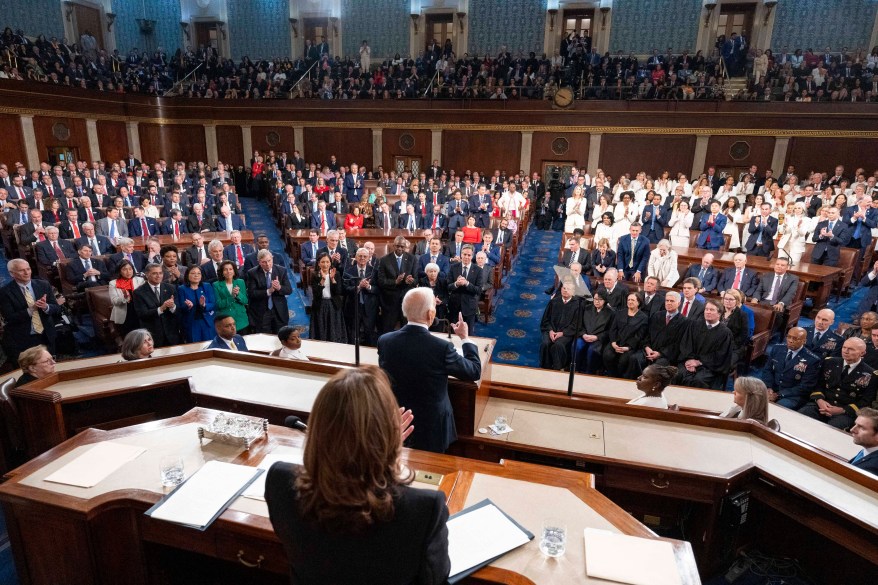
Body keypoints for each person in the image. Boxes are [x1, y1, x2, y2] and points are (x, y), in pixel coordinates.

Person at [265, 366, 450, 585]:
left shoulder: (279, 482)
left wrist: (384, 446)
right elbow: (435, 578)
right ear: (387, 435)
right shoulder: (424, 509)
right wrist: (389, 452)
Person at [377, 288, 481, 453]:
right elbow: (474, 370)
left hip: (398, 421)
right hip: (433, 428)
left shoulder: (384, 341)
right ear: (430, 314)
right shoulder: (442, 348)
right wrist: (465, 338)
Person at [798, 337, 878, 429]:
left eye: (851, 349)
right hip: (821, 405)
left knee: (832, 429)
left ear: (862, 353)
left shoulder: (871, 374)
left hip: (846, 413)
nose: (845, 351)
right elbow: (818, 385)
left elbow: (866, 401)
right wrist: (819, 400)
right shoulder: (829, 362)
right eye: (844, 347)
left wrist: (842, 410)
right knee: (802, 416)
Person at [0, 258, 61, 361]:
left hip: (46, 334)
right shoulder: (5, 292)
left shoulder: (43, 284)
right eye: (21, 270)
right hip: (24, 338)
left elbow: (56, 308)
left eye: (28, 269)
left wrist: (46, 307)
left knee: (50, 365)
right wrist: (31, 310)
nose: (26, 273)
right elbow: (9, 317)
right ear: (12, 274)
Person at [627, 291, 687, 378]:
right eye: (667, 300)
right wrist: (647, 347)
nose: (668, 303)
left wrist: (660, 354)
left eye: (672, 301)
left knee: (656, 367)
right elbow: (647, 334)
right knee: (634, 358)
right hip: (649, 350)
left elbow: (678, 344)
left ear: (679, 303)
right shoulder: (657, 315)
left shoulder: (684, 322)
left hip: (666, 355)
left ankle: (649, 387)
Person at [675, 300, 733, 389]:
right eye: (706, 309)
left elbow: (720, 355)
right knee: (678, 374)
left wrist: (699, 362)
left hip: (709, 367)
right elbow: (686, 345)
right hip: (689, 361)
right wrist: (690, 360)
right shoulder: (694, 325)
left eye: (712, 310)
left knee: (698, 380)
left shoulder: (725, 333)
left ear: (719, 314)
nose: (708, 312)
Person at [760, 327, 822, 410]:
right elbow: (768, 370)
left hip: (792, 396)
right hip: (772, 389)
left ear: (804, 341)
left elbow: (805, 387)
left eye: (795, 338)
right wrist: (768, 388)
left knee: (776, 409)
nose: (790, 340)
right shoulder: (777, 348)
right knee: (752, 399)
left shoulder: (812, 360)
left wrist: (779, 394)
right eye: (789, 337)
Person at [132, 263, 181, 347]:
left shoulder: (171, 288)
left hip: (172, 333)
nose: (158, 276)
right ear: (147, 275)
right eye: (155, 273)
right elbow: (142, 314)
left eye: (160, 273)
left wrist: (173, 306)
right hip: (153, 335)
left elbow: (179, 311)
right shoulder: (139, 292)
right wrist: (161, 308)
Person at [246, 250, 292, 334]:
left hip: (279, 311)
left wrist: (279, 287)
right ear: (259, 262)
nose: (267, 264)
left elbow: (289, 290)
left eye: (269, 260)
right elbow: (251, 293)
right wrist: (268, 291)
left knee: (281, 336)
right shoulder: (252, 273)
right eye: (264, 262)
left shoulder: (281, 270)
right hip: (261, 312)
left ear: (272, 259)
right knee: (264, 338)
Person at [602, 292, 648, 377]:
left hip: (630, 346)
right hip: (616, 342)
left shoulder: (643, 317)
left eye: (633, 300)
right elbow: (613, 329)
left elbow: (639, 336)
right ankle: (611, 375)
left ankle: (620, 378)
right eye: (628, 300)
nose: (630, 302)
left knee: (623, 360)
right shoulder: (620, 313)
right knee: (607, 355)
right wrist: (613, 342)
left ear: (638, 302)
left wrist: (628, 347)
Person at [377, 236, 416, 333]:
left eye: (402, 247)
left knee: (406, 331)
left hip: (406, 301)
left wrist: (410, 281)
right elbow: (381, 281)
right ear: (393, 246)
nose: (399, 248)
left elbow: (416, 279)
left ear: (405, 247)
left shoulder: (412, 259)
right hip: (390, 301)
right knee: (387, 331)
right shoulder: (384, 260)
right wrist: (395, 282)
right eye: (397, 246)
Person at [539, 282, 581, 370]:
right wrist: (550, 331)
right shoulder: (554, 301)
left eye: (568, 289)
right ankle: (545, 368)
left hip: (566, 334)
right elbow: (545, 320)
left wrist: (562, 333)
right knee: (546, 343)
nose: (565, 290)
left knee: (558, 345)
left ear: (573, 292)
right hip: (550, 330)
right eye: (563, 288)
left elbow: (576, 324)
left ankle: (558, 368)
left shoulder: (577, 305)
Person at [574, 290, 615, 374]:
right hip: (584, 336)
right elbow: (579, 324)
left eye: (600, 299)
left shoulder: (611, 313)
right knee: (577, 345)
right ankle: (576, 369)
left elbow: (610, 331)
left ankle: (589, 372)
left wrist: (597, 337)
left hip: (598, 339)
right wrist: (583, 334)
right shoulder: (586, 308)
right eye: (595, 299)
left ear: (605, 300)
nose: (597, 301)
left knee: (592, 350)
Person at [310, 253, 347, 343]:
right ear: (318, 263)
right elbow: (316, 294)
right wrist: (322, 280)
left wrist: (333, 279)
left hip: (333, 305)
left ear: (330, 263)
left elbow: (338, 291)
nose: (325, 264)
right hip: (320, 305)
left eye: (327, 262)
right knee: (321, 330)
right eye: (323, 262)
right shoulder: (315, 275)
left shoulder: (336, 274)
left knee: (334, 330)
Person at [176, 265, 216, 343]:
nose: (196, 275)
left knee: (209, 345)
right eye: (193, 273)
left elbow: (213, 303)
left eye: (199, 273)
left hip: (206, 322)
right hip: (191, 322)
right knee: (195, 346)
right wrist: (188, 306)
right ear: (187, 275)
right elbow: (180, 307)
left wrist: (204, 305)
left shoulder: (207, 286)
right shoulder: (182, 289)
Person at [447, 245, 482, 332]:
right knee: (453, 333)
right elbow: (448, 286)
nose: (466, 257)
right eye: (464, 254)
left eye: (469, 255)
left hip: (469, 308)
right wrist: (456, 284)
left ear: (472, 256)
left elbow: (478, 290)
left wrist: (467, 283)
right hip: (454, 307)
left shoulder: (478, 270)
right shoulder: (453, 267)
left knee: (468, 333)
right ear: (461, 254)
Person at [109, 259, 145, 336]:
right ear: (119, 271)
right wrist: (124, 298)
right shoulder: (113, 283)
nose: (128, 272)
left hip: (139, 311)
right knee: (130, 336)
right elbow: (114, 301)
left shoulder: (140, 280)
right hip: (125, 313)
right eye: (124, 269)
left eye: (130, 269)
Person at [212, 260, 249, 334]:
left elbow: (245, 301)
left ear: (234, 271)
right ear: (222, 272)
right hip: (226, 322)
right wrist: (232, 297)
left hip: (241, 320)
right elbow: (218, 304)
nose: (228, 271)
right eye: (225, 269)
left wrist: (238, 294)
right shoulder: (216, 285)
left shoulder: (240, 282)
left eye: (230, 269)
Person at [418, 263, 449, 331]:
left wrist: (441, 302)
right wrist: (432, 300)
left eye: (435, 271)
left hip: (439, 311)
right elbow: (420, 297)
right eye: (431, 271)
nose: (433, 273)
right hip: (426, 311)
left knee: (438, 332)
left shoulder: (443, 282)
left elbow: (447, 298)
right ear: (426, 272)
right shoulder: (422, 281)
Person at [849, 408, 878, 475]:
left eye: (861, 428)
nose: (852, 430)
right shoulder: (867, 451)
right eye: (855, 424)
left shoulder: (874, 466)